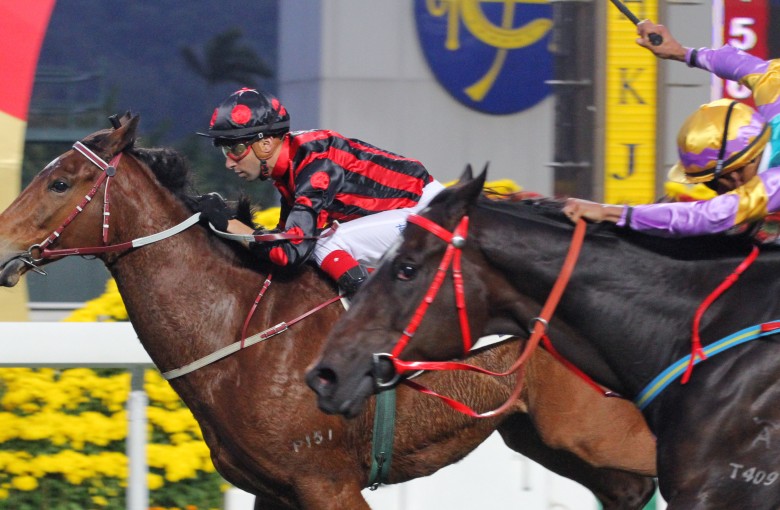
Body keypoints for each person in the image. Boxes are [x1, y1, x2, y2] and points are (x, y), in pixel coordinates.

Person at [196, 87, 444, 295]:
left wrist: (230, 223)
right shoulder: (292, 168)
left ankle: (378, 325)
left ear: (265, 144)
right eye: (224, 151)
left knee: (324, 245)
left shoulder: (315, 166)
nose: (229, 162)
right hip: (416, 212)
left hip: (431, 212)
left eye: (236, 149)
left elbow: (291, 251)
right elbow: (282, 241)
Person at [563, 21, 780, 237]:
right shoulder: (773, 94)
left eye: (712, 185)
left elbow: (709, 216)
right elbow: (745, 66)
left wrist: (608, 212)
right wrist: (680, 52)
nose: (716, 193)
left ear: (734, 177)